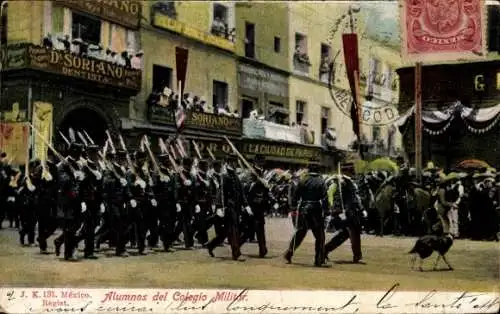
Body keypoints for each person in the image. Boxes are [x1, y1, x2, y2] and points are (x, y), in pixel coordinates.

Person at [284, 163, 328, 267]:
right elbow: (325, 198)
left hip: (303, 208)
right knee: (320, 236)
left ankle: (289, 252)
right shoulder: (321, 181)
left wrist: (294, 208)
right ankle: (318, 259)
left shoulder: (303, 180)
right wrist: (327, 211)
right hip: (316, 209)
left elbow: (295, 196)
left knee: (300, 232)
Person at [206, 153, 249, 260]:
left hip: (236, 206)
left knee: (226, 231)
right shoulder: (224, 175)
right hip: (228, 207)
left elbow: (241, 191)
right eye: (234, 162)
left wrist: (246, 204)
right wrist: (219, 206)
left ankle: (211, 245)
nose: (236, 164)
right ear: (230, 162)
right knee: (234, 229)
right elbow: (221, 192)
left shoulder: (235, 175)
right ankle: (236, 252)